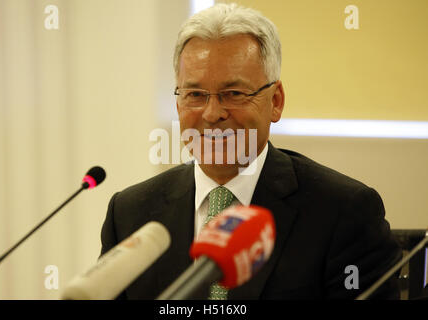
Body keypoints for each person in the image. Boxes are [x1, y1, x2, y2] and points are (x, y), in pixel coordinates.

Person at [100, 3, 402, 299]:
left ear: (276, 101)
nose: (212, 113)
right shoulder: (131, 214)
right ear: (178, 103)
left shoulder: (344, 212)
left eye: (233, 93)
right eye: (195, 94)